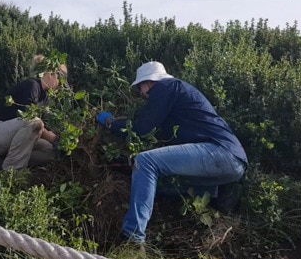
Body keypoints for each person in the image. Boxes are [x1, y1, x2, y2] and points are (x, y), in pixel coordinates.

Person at [96, 61, 248, 244]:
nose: (141, 94)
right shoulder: (177, 95)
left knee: (145, 162)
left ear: (150, 82)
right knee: (161, 183)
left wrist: (110, 123)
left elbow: (142, 129)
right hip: (234, 163)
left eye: (140, 88)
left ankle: (132, 236)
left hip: (219, 152)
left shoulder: (166, 86)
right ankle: (220, 193)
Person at [0, 55, 67, 171]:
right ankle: (11, 172)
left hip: (12, 138)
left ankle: (0, 161)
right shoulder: (32, 86)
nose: (61, 84)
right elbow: (30, 120)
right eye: (61, 78)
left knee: (51, 152)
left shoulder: (45, 97)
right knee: (34, 122)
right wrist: (54, 139)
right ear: (51, 73)